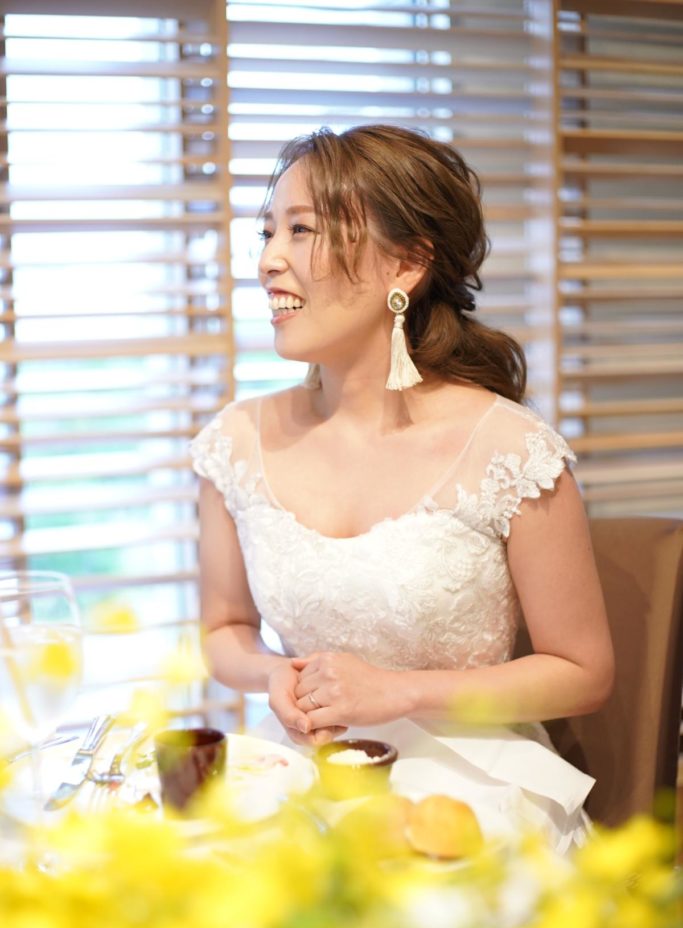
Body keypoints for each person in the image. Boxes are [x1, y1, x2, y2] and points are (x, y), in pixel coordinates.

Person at [190, 124, 614, 853]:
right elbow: (223, 630)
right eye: (267, 232)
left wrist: (401, 691)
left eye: (301, 230)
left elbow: (583, 672)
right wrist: (273, 674)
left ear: (407, 264)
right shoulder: (236, 441)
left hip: (474, 779)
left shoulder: (509, 449)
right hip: (303, 772)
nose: (267, 261)